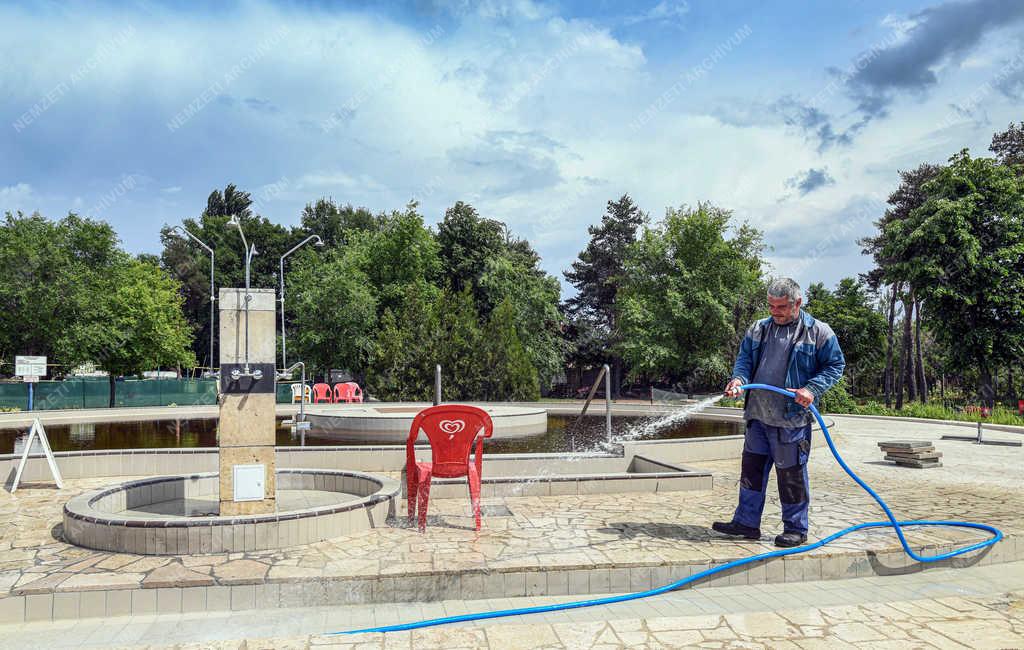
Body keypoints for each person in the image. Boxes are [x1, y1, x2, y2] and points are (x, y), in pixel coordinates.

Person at [712, 278, 845, 547]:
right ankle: (746, 523)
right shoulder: (758, 329)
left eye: (781, 307)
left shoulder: (818, 332)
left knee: (791, 475)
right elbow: (745, 359)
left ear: (798, 303)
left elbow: (835, 365)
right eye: (771, 306)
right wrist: (738, 379)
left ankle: (796, 529)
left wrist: (811, 388)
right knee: (751, 472)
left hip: (791, 418)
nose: (775, 312)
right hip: (758, 416)